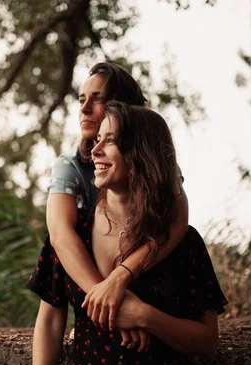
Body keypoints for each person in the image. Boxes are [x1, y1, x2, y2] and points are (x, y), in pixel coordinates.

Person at [27, 101, 228, 365]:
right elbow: (50, 321)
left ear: (141, 154)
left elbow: (207, 340)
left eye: (110, 141)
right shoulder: (73, 236)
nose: (94, 151)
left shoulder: (184, 243)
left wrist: (145, 316)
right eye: (98, 141)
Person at [40, 62, 190, 349]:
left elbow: (177, 222)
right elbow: (60, 235)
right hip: (95, 276)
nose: (83, 109)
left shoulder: (158, 162)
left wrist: (122, 278)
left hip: (145, 277)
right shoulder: (70, 165)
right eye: (82, 99)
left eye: (97, 99)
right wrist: (108, 302)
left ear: (123, 108)